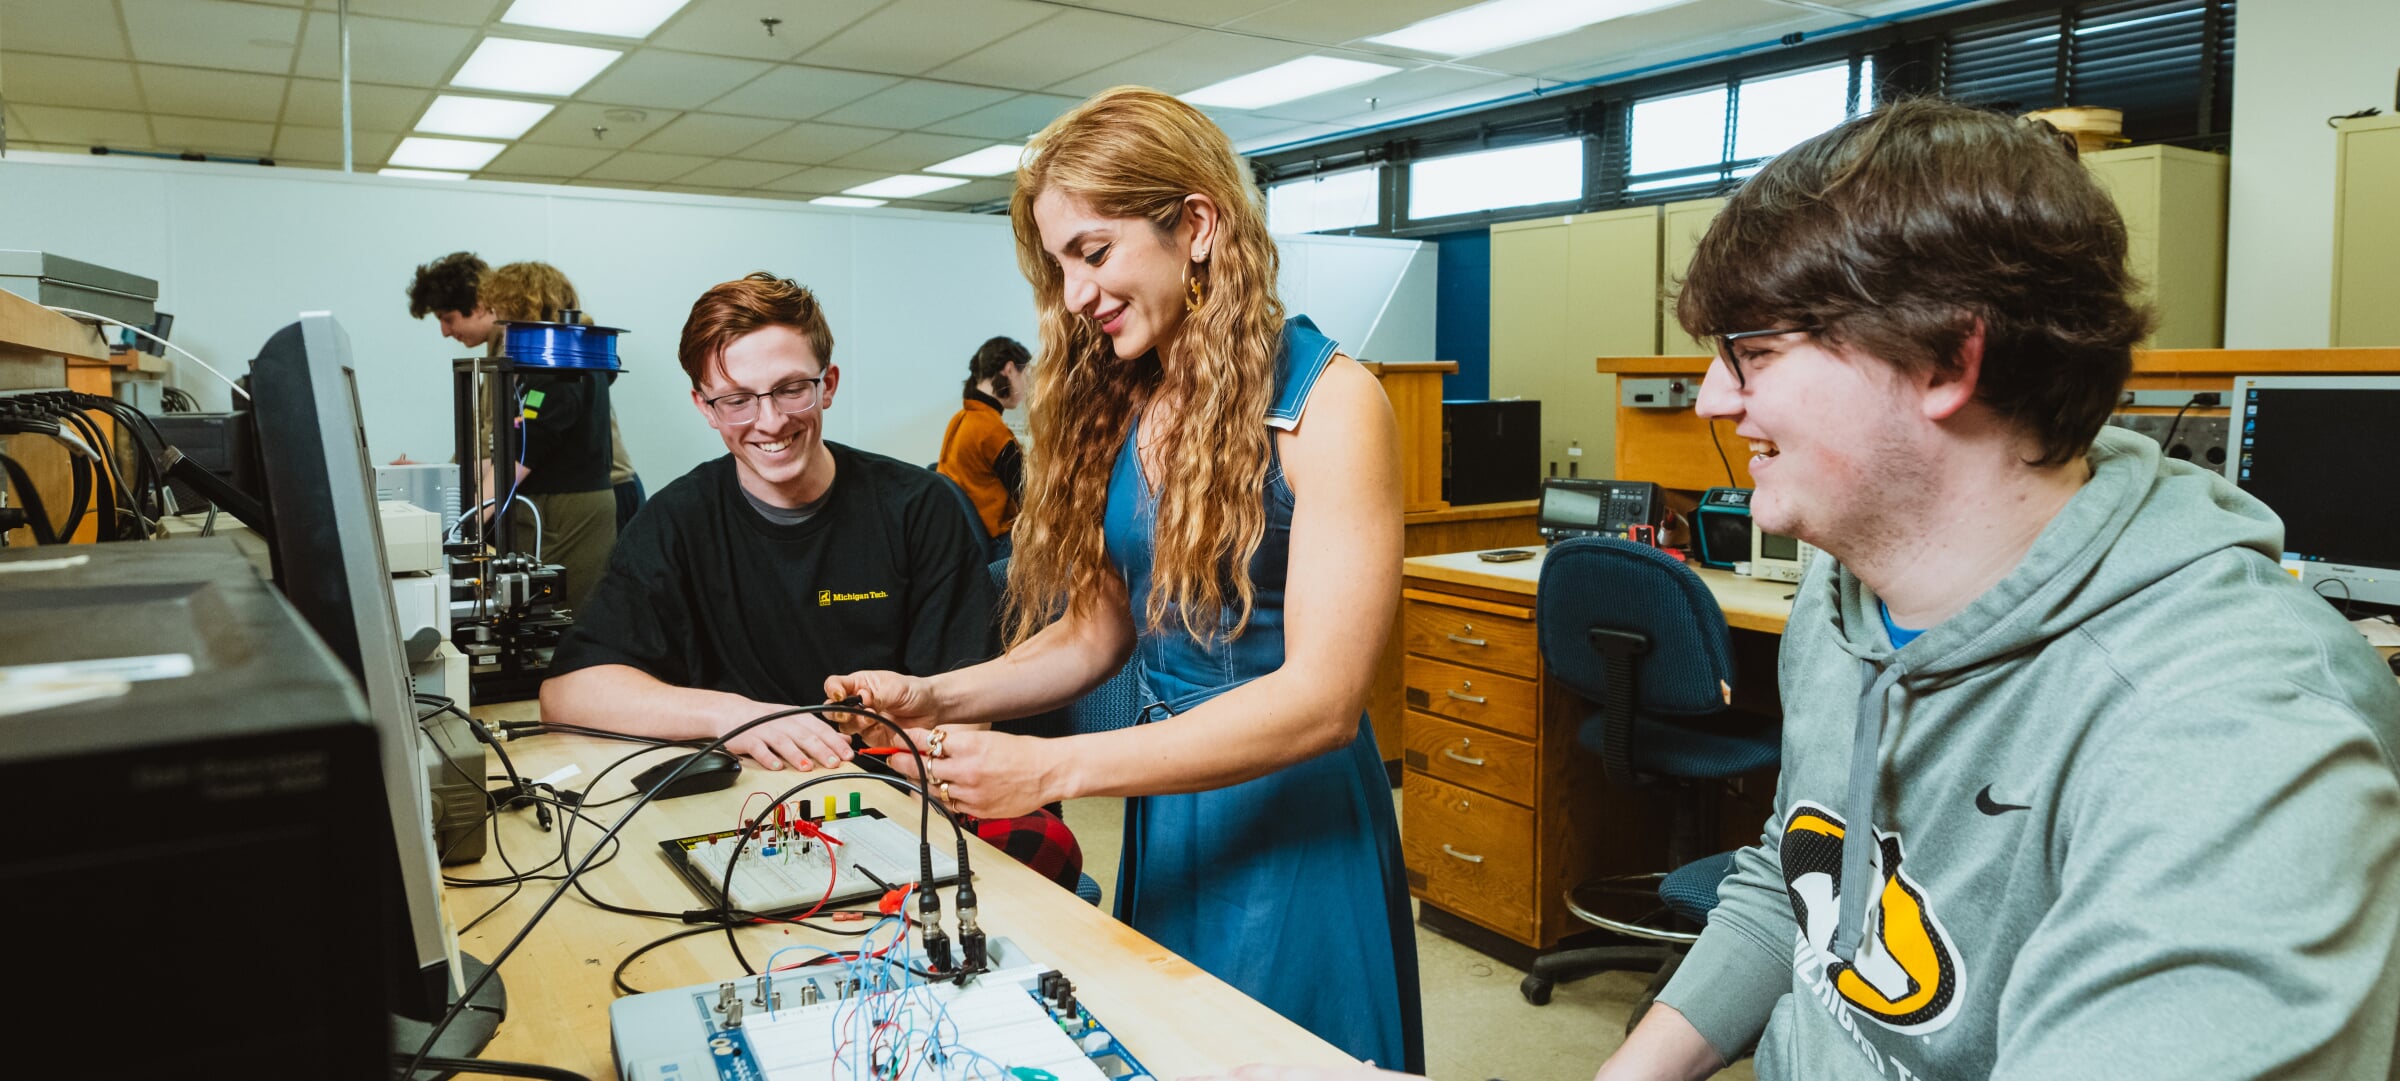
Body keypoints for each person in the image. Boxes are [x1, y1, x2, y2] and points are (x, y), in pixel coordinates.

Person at [827, 87, 1423, 1072]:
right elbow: (1094, 638)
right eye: (1059, 266)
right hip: (1171, 801)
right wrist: (936, 694)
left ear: (1196, 225)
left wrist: (1055, 767)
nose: (1074, 296)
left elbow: (1323, 700)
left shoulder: (1331, 403)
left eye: (1093, 253)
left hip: (1296, 824)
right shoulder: (1129, 407)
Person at [537, 273, 1080, 889]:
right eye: (737, 399)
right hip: (741, 816)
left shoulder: (919, 508)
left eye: (791, 389)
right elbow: (568, 696)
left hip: (892, 807)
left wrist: (886, 739)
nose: (768, 421)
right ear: (703, 407)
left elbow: (958, 723)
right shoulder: (678, 519)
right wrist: (738, 717)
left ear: (828, 386)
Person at [405, 253, 649, 531]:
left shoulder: (552, 365)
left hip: (597, 494)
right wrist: (440, 477)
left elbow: (516, 449)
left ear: (481, 305)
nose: (445, 332)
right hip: (567, 495)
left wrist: (460, 523)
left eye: (447, 318)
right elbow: (499, 445)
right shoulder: (510, 357)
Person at [936, 335, 1030, 556]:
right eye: (1025, 374)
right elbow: (1028, 497)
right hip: (999, 545)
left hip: (968, 543)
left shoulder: (960, 419)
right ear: (1009, 369)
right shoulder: (991, 430)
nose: (1026, 384)